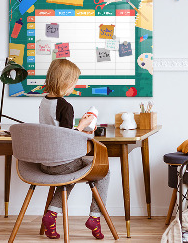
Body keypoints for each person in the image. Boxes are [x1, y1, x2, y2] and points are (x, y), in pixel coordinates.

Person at [39, 59, 109, 240]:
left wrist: (78, 127)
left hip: (45, 163)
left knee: (70, 174)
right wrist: (83, 125)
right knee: (104, 171)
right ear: (65, 82)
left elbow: (56, 131)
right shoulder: (65, 106)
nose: (74, 86)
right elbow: (67, 138)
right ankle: (95, 217)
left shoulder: (44, 102)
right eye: (74, 82)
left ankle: (51, 215)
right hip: (62, 163)